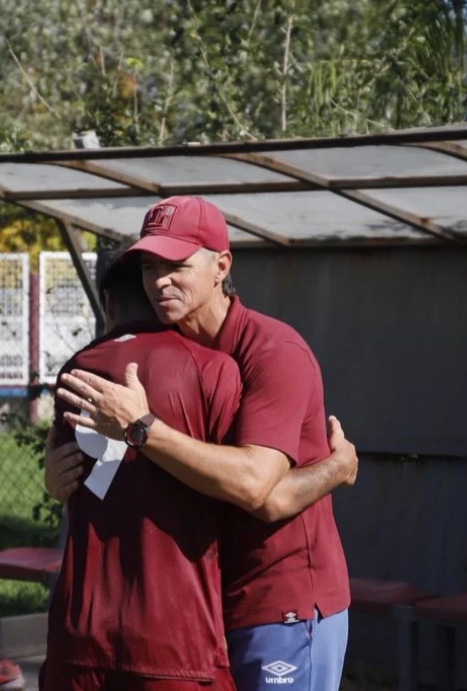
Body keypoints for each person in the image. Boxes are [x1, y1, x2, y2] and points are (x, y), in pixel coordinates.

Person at [53, 196, 356, 691]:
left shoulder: (273, 352)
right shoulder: (178, 356)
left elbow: (262, 490)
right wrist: (60, 475)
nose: (160, 281)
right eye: (151, 266)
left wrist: (142, 427)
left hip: (281, 605)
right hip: (211, 607)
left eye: (177, 265)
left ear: (221, 266)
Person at [42, 249, 244, 690]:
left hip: (81, 631)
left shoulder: (78, 370)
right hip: (176, 635)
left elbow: (64, 476)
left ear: (109, 303)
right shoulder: (212, 369)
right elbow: (241, 487)